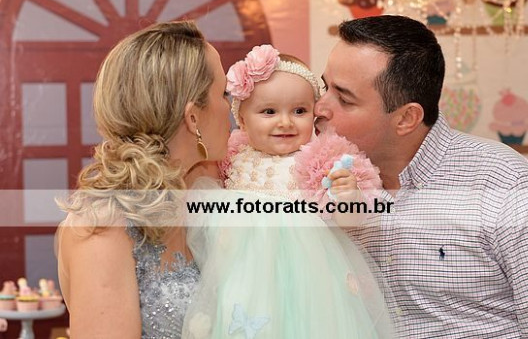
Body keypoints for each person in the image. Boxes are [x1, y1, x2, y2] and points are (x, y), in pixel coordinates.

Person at [314, 14, 528, 338]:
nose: (319, 107)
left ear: (406, 119)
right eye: (324, 87)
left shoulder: (510, 186)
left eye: (344, 98)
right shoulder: (320, 182)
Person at [183, 44, 394, 339]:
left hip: (305, 283)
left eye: (299, 111)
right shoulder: (231, 156)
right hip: (242, 276)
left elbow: (351, 222)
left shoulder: (320, 159)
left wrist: (348, 197)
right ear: (242, 120)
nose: (285, 122)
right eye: (269, 111)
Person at [56, 21, 231, 338]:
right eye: (224, 94)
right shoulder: (104, 225)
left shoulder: (204, 196)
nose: (231, 109)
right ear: (193, 117)